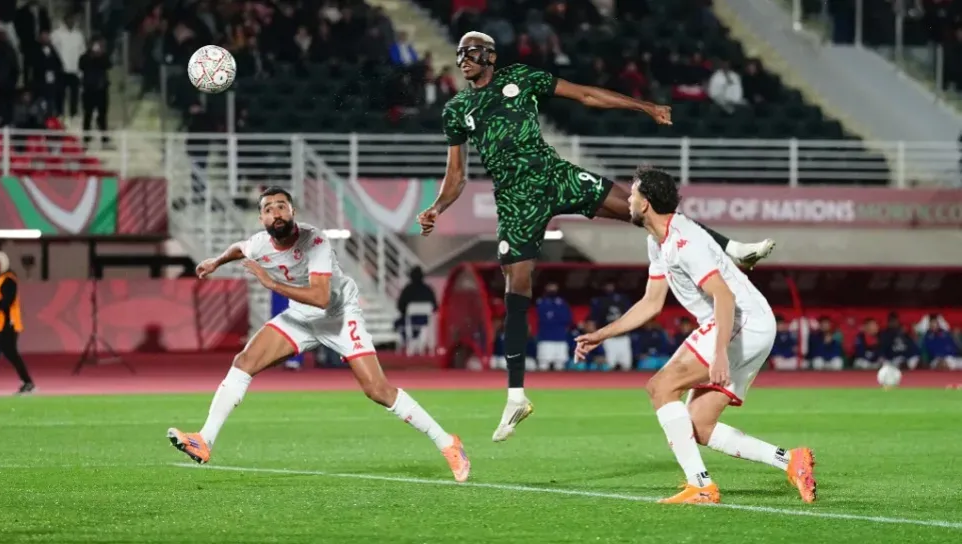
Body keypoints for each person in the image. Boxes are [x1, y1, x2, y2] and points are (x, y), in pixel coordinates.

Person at [416, 31, 777, 443]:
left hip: (555, 175)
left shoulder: (520, 77)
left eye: (472, 51)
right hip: (516, 200)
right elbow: (456, 175)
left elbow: (585, 95)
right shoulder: (457, 109)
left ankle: (732, 248)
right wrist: (437, 208)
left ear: (491, 56)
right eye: (460, 53)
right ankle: (516, 396)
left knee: (646, 210)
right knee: (516, 285)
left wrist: (644, 106)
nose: (463, 58)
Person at [167, 187, 470, 482]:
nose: (276, 213)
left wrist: (272, 284)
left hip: (338, 316)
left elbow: (322, 298)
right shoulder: (260, 243)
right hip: (301, 317)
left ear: (293, 211)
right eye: (269, 209)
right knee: (243, 362)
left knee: (378, 390)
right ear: (262, 219)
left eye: (282, 206)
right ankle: (204, 439)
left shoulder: (315, 241)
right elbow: (239, 247)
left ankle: (447, 442)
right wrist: (216, 261)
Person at [573, 167, 815, 504]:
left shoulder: (684, 242)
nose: (627, 200)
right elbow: (651, 303)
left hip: (742, 322)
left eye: (633, 194)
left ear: (645, 204)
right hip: (743, 323)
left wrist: (719, 354)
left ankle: (700, 485)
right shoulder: (658, 241)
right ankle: (791, 461)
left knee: (661, 387)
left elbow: (724, 297)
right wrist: (602, 334)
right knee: (699, 425)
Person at [0, 251, 35, 394]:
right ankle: (28, 382)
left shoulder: (9, 280)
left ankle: (28, 382)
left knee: (10, 352)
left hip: (8, 324)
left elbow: (7, 302)